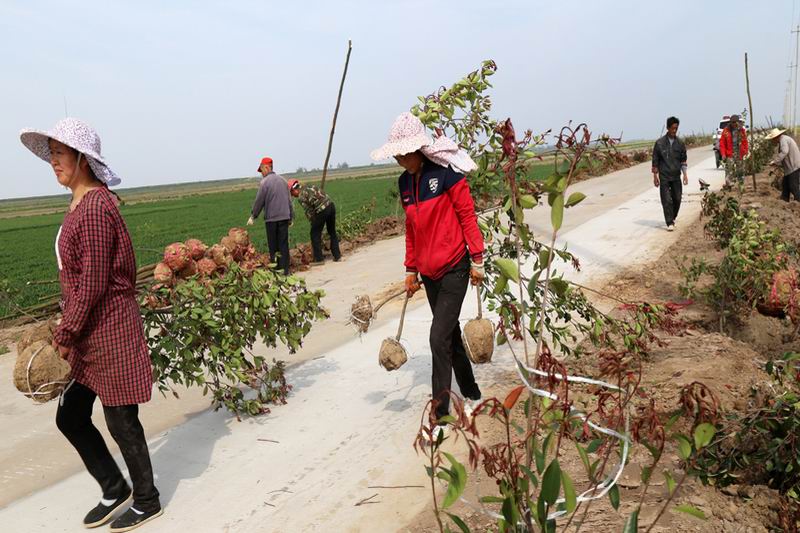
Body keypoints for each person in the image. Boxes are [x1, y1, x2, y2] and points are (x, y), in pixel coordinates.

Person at [19, 118, 162, 531]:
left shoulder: (97, 207)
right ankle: (114, 486)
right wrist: (68, 324)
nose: (53, 162)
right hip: (86, 333)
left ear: (83, 159)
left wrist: (65, 333)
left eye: (60, 154)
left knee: (120, 419)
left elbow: (96, 280)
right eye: (50, 154)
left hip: (110, 330)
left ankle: (147, 500)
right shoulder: (78, 204)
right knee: (71, 417)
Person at [371, 112, 484, 439]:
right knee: (448, 335)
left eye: (402, 153)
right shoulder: (404, 183)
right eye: (395, 154)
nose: (398, 159)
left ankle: (440, 418)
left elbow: (467, 216)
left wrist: (477, 259)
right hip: (429, 273)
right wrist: (411, 269)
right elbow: (411, 229)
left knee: (437, 337)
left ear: (417, 149)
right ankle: (472, 392)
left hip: (455, 268)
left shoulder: (446, 174)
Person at [247, 157, 293, 275]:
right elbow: (289, 200)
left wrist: (253, 216)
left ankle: (277, 271)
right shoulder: (283, 181)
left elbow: (259, 201)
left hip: (271, 219)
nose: (261, 173)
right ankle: (286, 271)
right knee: (283, 245)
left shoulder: (265, 183)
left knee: (273, 246)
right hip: (284, 217)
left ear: (267, 168)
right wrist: (291, 217)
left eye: (262, 170)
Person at [287, 179, 341, 264]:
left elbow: (309, 211)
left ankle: (319, 259)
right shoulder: (308, 186)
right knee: (332, 231)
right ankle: (337, 256)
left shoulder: (301, 196)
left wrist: (313, 222)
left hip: (322, 210)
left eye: (292, 194)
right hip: (331, 206)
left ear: (294, 190)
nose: (293, 196)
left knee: (314, 234)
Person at [652, 116, 689, 231]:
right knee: (666, 200)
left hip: (676, 176)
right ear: (668, 128)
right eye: (672, 128)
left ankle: (672, 217)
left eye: (676, 128)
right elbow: (655, 161)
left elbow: (683, 160)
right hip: (664, 176)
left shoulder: (680, 143)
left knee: (677, 198)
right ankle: (669, 222)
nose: (674, 130)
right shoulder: (659, 143)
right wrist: (655, 177)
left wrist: (685, 175)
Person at [766, 128, 800, 201]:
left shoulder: (783, 140)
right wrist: (776, 164)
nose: (772, 141)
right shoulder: (784, 139)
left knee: (793, 187)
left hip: (793, 167)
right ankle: (784, 201)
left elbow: (784, 152)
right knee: (785, 186)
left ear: (775, 137)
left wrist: (775, 161)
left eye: (772, 139)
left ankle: (798, 202)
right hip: (791, 167)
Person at [719, 114, 749, 187]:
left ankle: (741, 184)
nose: (734, 124)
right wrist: (723, 154)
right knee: (729, 169)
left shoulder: (741, 130)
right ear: (731, 122)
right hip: (730, 153)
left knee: (740, 169)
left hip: (739, 152)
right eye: (733, 122)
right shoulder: (726, 131)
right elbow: (722, 143)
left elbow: (745, 141)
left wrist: (745, 151)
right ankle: (729, 184)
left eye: (736, 122)